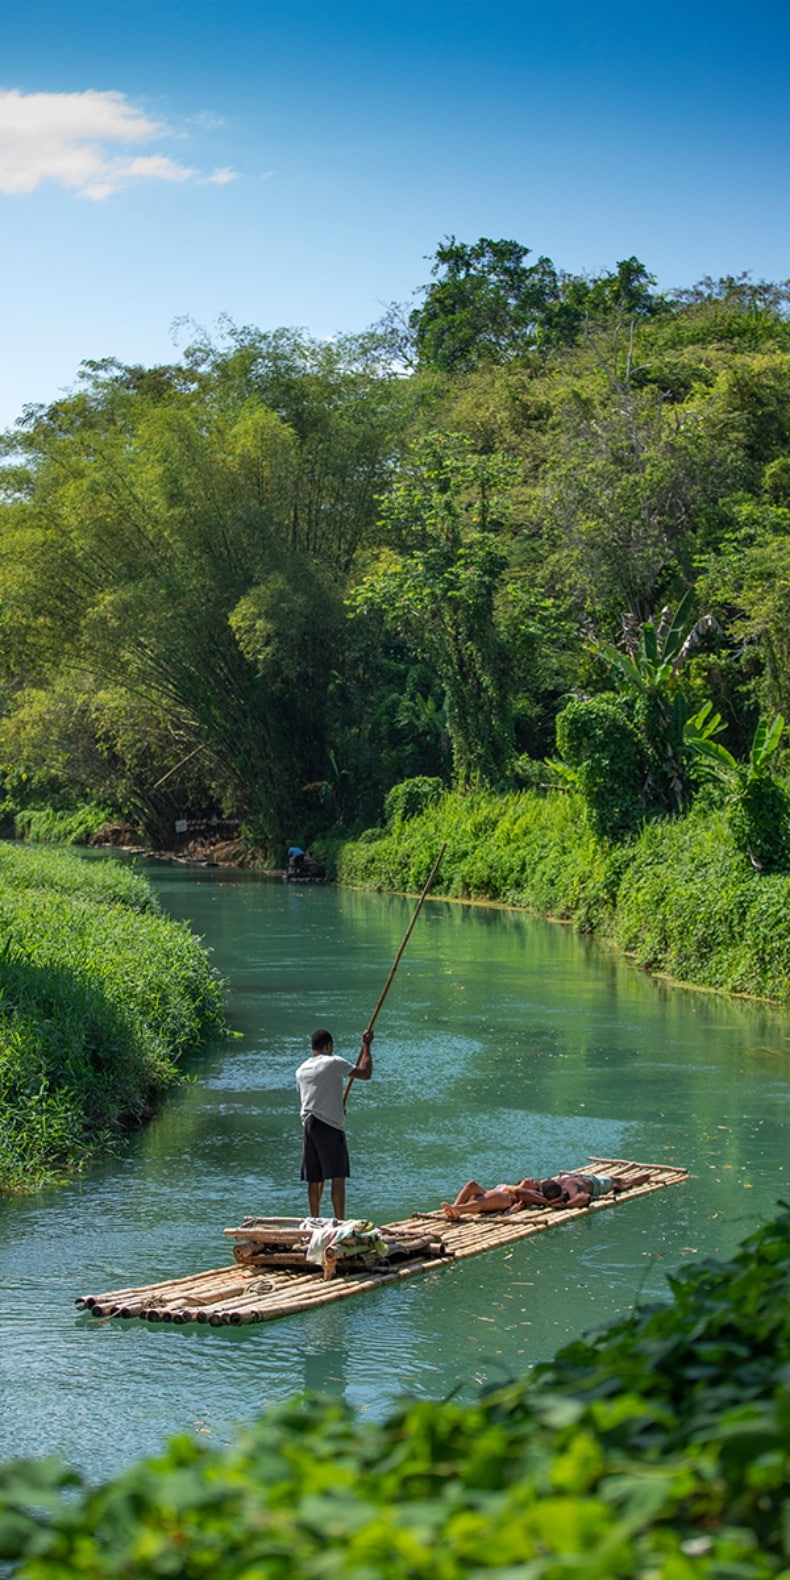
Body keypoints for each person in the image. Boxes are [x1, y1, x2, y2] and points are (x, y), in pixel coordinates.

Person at [295, 1026, 373, 1220]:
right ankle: (340, 1221)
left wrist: (338, 1107)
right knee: (337, 1176)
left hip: (309, 1124)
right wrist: (366, 1046)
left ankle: (314, 1220)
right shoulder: (333, 1062)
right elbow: (365, 1073)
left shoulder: (301, 1070)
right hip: (329, 1125)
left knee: (315, 1178)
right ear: (328, 1046)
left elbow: (317, 1094)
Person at [441, 1177, 550, 1221]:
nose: (531, 1179)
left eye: (534, 1182)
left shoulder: (525, 1194)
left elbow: (522, 1204)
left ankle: (458, 1209)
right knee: (472, 1184)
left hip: (504, 1200)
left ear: (534, 1189)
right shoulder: (510, 1186)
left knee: (490, 1196)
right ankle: (454, 1209)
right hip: (491, 1195)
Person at [538, 1171, 651, 1208]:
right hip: (583, 1179)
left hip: (601, 1183)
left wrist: (566, 1205)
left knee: (622, 1184)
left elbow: (585, 1198)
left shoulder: (570, 1188)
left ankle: (633, 1181)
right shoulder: (549, 1186)